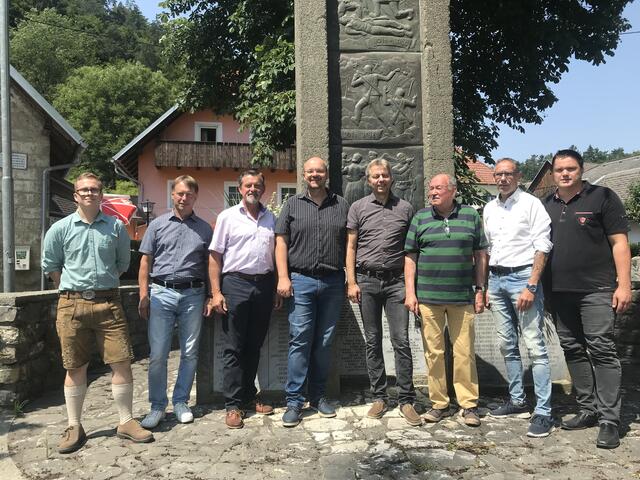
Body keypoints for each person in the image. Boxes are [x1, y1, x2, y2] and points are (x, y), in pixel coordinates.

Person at [42, 172, 153, 454]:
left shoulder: (115, 227)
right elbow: (52, 266)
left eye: (94, 189)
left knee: (121, 361)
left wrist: (100, 286)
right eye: (84, 189)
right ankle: (74, 426)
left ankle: (126, 421)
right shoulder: (60, 228)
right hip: (72, 305)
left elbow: (121, 263)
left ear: (101, 195)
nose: (89, 193)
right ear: (75, 195)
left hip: (109, 303)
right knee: (75, 366)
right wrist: (73, 290)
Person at [543, 149, 632, 449]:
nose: (565, 174)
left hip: (596, 290)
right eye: (559, 170)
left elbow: (620, 243)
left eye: (571, 168)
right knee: (572, 348)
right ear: (553, 173)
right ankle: (588, 409)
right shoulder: (545, 205)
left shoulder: (602, 197)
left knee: (602, 349)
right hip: (559, 291)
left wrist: (624, 285)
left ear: (581, 170)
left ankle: (609, 419)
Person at [404, 173, 487, 427]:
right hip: (429, 298)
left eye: (438, 188)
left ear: (453, 190)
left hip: (462, 296)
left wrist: (481, 288)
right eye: (430, 188)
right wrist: (410, 292)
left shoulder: (471, 216)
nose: (432, 192)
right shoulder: (420, 218)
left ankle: (468, 404)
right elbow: (410, 257)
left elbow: (481, 254)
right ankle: (439, 403)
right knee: (434, 353)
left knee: (464, 352)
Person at [346, 158, 421, 426]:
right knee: (373, 340)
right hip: (366, 282)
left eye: (384, 176)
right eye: (375, 176)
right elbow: (351, 246)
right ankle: (379, 396)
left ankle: (406, 399)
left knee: (401, 340)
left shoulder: (406, 208)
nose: (380, 180)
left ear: (391, 178)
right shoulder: (358, 207)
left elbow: (412, 249)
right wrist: (351, 282)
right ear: (368, 180)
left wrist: (412, 288)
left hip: (396, 283)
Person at [483, 158, 555, 438]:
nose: (503, 178)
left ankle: (544, 412)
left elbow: (542, 244)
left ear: (518, 176)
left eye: (508, 174)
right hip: (496, 278)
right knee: (506, 344)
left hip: (523, 277)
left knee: (535, 345)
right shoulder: (489, 207)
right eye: (498, 174)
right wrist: (488, 285)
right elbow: (489, 247)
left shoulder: (531, 204)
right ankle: (517, 401)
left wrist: (532, 284)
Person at [275, 157, 349, 427]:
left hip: (332, 282)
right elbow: (281, 241)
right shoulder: (292, 204)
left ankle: (318, 396)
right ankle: (294, 401)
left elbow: (350, 244)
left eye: (319, 171)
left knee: (324, 342)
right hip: (301, 281)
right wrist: (283, 277)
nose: (314, 175)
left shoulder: (341, 204)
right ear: (303, 175)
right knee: (300, 341)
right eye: (310, 171)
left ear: (326, 174)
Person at [138, 175, 213, 428]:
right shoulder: (157, 225)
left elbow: (209, 264)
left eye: (189, 195)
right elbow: (145, 262)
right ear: (172, 195)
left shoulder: (204, 228)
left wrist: (211, 295)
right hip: (162, 292)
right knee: (158, 354)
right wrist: (143, 295)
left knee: (190, 353)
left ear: (195, 197)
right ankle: (157, 406)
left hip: (193, 294)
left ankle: (181, 402)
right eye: (180, 193)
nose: (184, 198)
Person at [209, 169, 280, 429]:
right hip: (235, 284)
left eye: (257, 185)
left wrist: (274, 289)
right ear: (240, 189)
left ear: (264, 189)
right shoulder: (227, 217)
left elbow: (274, 256)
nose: (253, 189)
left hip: (263, 286)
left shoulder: (271, 218)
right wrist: (216, 292)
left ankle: (249, 397)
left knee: (254, 345)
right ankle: (233, 405)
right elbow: (215, 257)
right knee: (234, 347)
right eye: (248, 185)